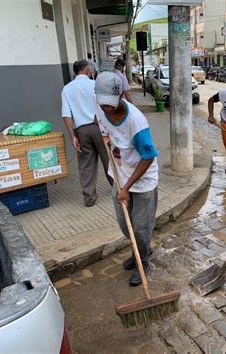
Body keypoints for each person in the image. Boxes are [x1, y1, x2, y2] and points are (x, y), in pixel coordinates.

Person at [95, 72, 159, 286]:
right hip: (120, 173)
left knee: (140, 227)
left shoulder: (136, 122)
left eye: (110, 105)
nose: (107, 109)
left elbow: (149, 157)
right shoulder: (101, 108)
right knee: (125, 224)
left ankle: (144, 261)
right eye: (103, 104)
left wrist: (127, 188)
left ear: (121, 96)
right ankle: (140, 250)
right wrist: (105, 134)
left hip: (142, 178)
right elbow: (99, 120)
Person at [61, 59, 112, 207]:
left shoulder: (67, 89)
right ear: (88, 71)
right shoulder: (94, 85)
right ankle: (118, 188)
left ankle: (89, 197)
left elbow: (66, 115)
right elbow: (104, 105)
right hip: (100, 128)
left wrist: (73, 136)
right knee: (109, 159)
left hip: (81, 131)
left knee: (86, 165)